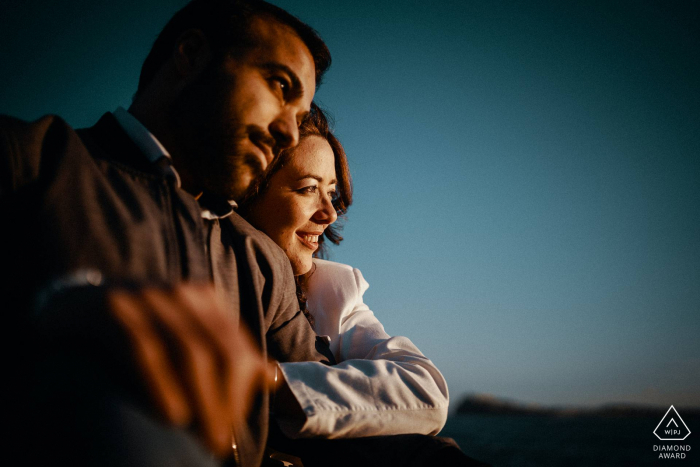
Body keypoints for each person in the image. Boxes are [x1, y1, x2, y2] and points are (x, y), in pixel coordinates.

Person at [2, 1, 335, 466]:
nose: (288, 134)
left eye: (300, 119)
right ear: (191, 53)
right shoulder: (29, 161)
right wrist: (54, 315)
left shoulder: (261, 259)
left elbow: (326, 397)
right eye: (279, 85)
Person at [240, 104, 449, 439]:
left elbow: (425, 394)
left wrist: (271, 383)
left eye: (331, 193)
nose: (329, 213)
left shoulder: (331, 290)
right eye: (309, 188)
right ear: (251, 188)